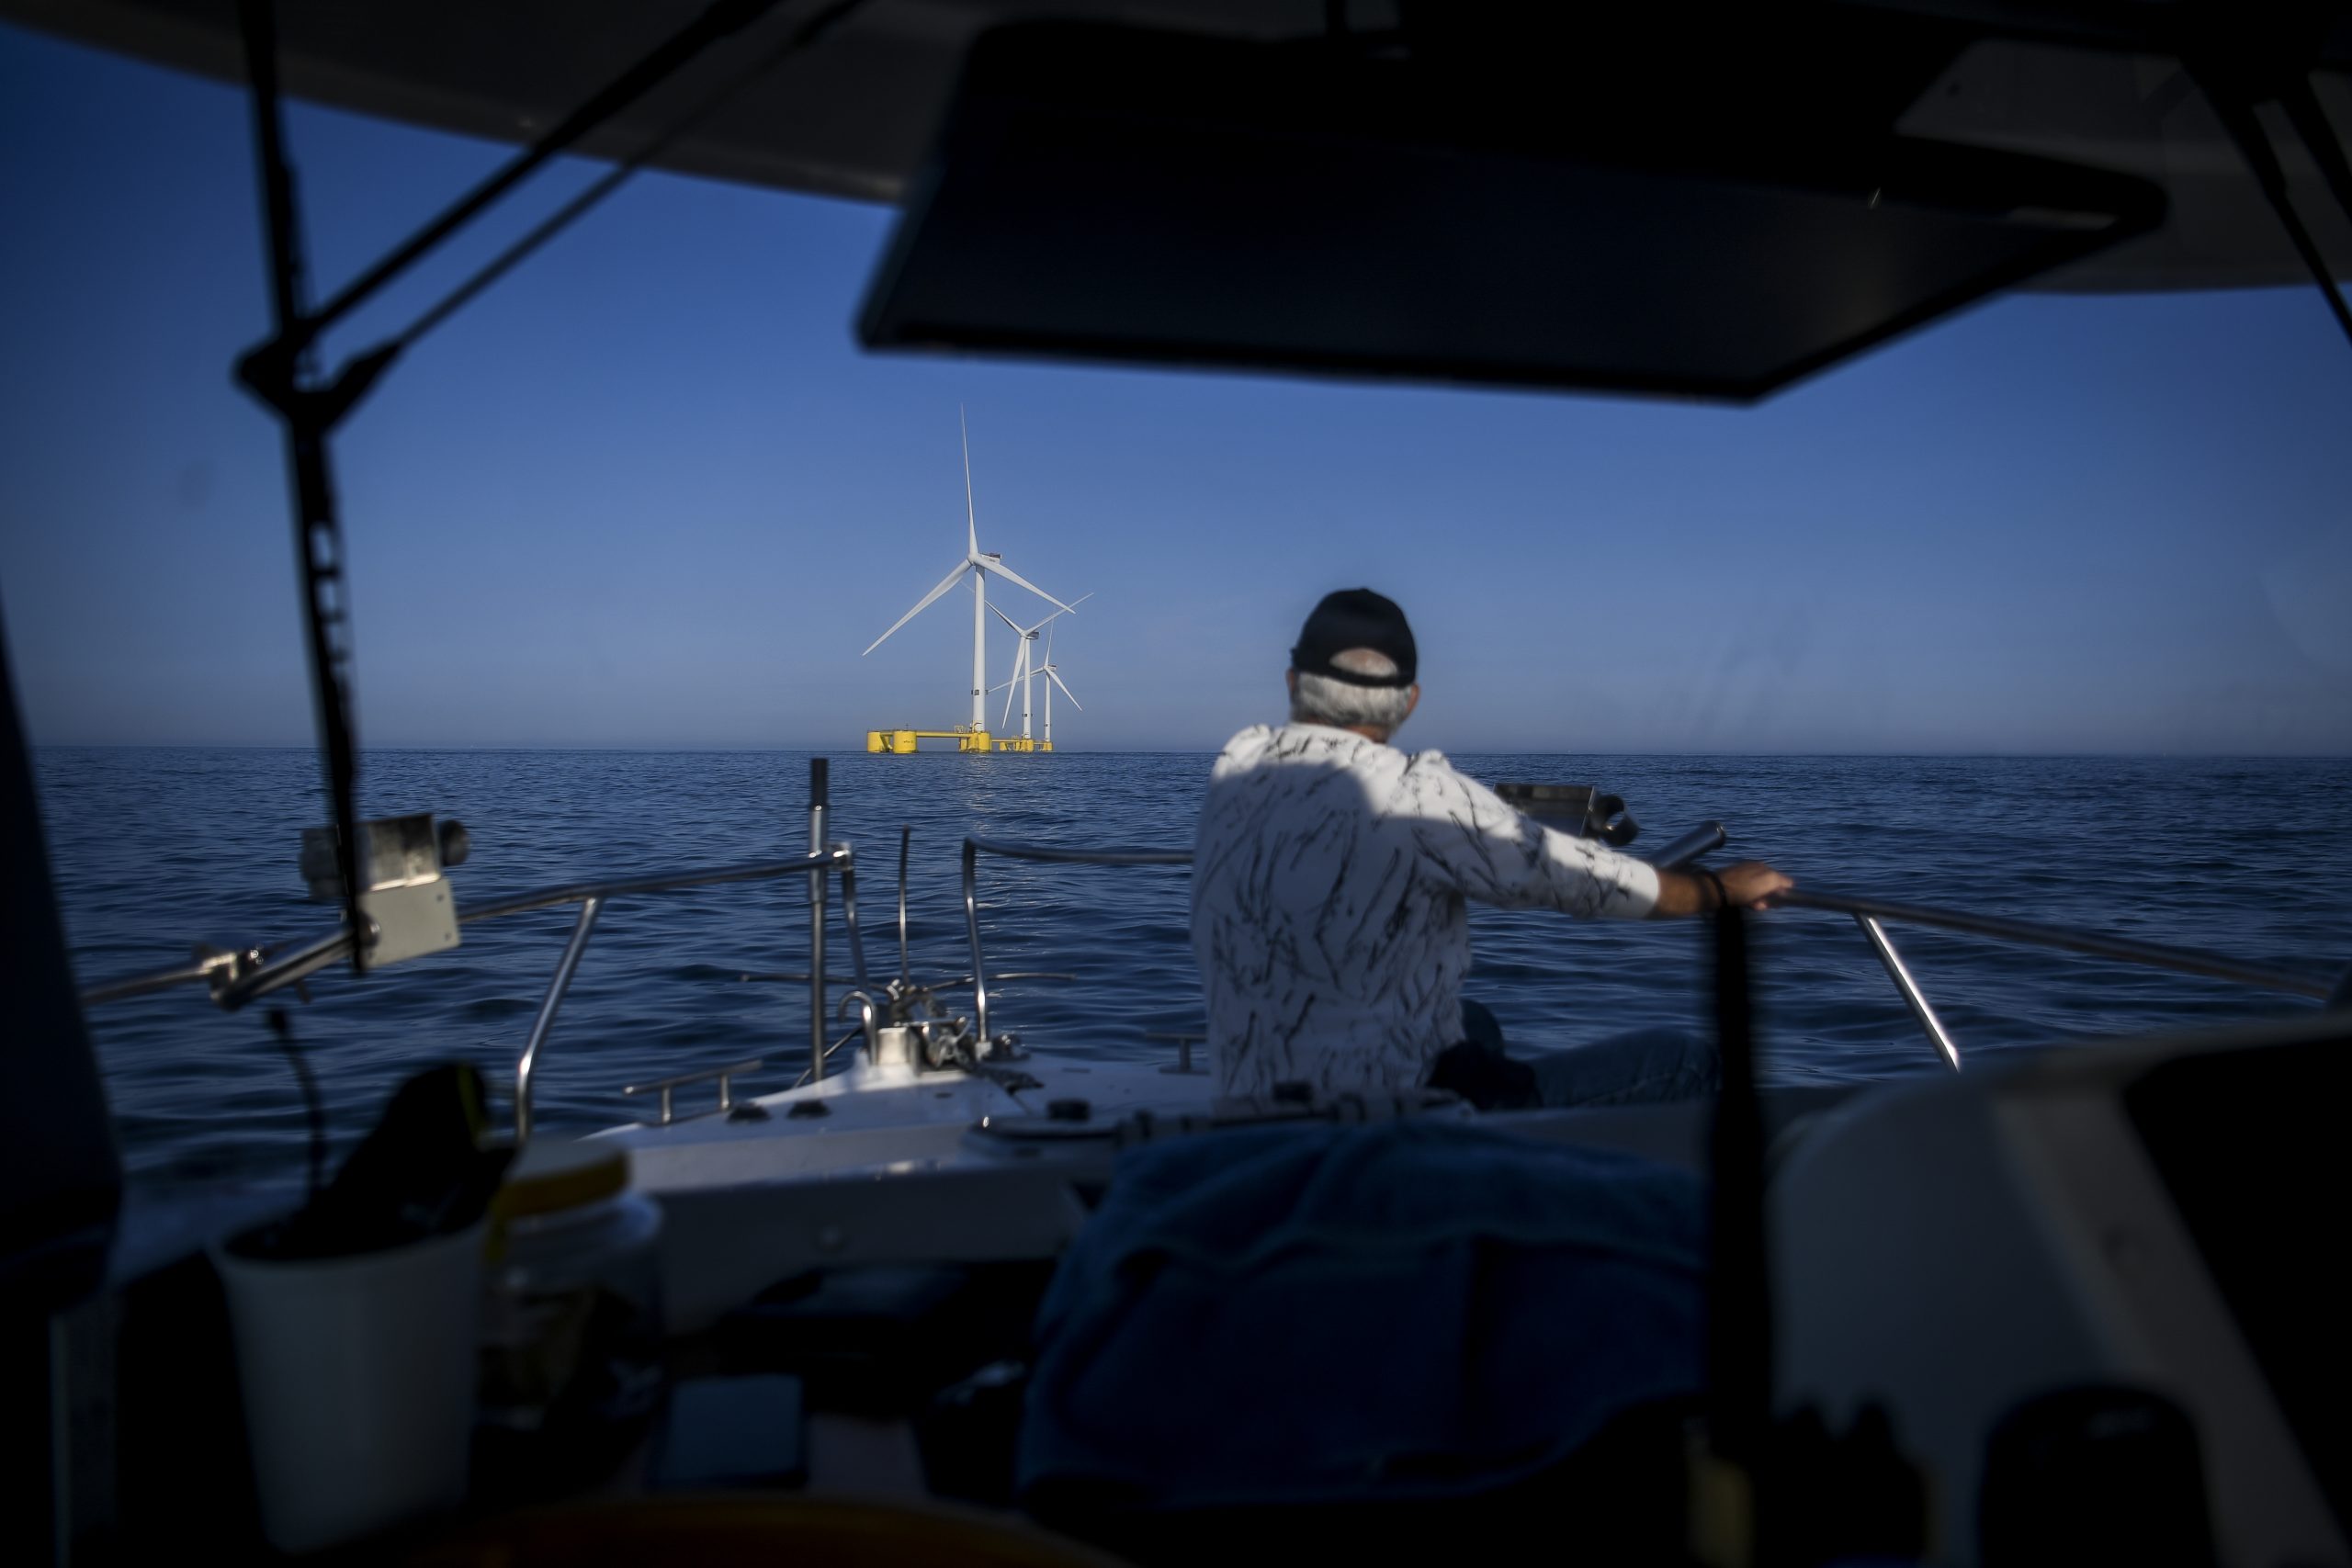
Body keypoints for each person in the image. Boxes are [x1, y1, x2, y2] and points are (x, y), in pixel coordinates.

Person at [1191, 587, 1792, 1106]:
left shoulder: (1238, 761)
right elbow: (1581, 879)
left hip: (1253, 1095)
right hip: (1384, 1122)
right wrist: (1716, 888)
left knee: (1473, 1023)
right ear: (1411, 699)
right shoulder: (1417, 794)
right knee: (1684, 1060)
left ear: (1293, 681)